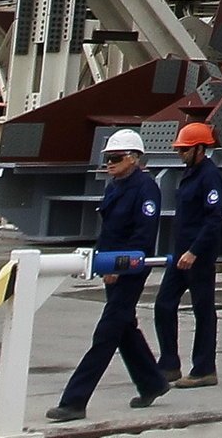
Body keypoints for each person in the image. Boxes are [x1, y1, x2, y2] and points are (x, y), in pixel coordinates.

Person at [49, 130, 172, 420]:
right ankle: (152, 382)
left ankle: (74, 401)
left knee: (106, 334)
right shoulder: (114, 186)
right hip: (110, 267)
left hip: (129, 270)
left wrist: (118, 267)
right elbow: (108, 230)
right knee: (124, 327)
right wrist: (101, 264)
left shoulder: (146, 189)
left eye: (115, 158)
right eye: (107, 158)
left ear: (134, 158)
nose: (110, 164)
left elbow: (143, 237)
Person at [154, 120, 222, 388]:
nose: (180, 154)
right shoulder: (190, 173)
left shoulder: (210, 176)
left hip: (198, 256)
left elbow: (213, 220)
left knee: (203, 310)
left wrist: (195, 252)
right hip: (181, 254)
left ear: (199, 149)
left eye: (184, 150)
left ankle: (205, 369)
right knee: (163, 304)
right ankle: (169, 363)